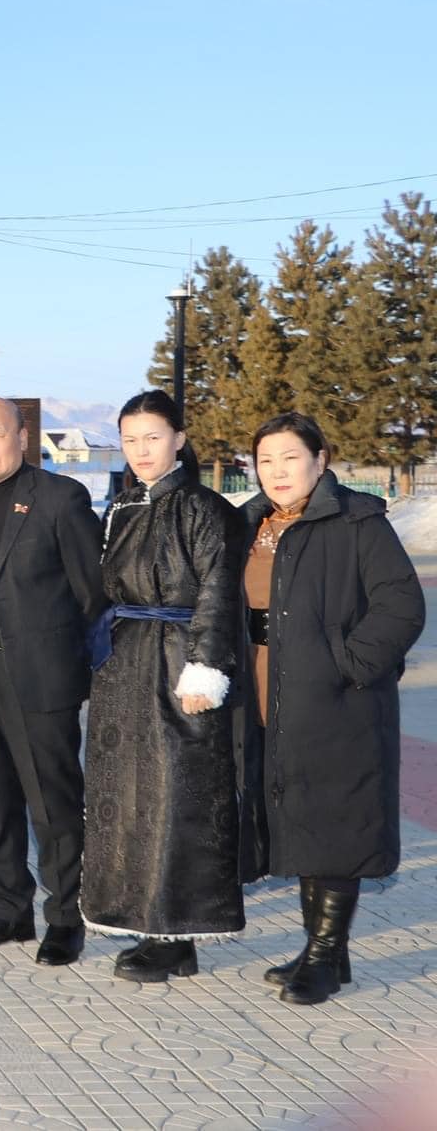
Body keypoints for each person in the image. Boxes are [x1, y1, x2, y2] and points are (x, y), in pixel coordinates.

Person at [238, 412, 423, 1005]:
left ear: (321, 461)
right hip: (269, 689)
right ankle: (325, 951)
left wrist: (349, 665)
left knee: (335, 820)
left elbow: (401, 606)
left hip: (336, 700)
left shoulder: (357, 521)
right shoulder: (252, 523)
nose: (278, 471)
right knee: (299, 818)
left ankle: (322, 956)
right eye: (266, 460)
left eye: (291, 457)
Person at [82, 389, 247, 982]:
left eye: (153, 437)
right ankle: (144, 918)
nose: (141, 450)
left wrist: (205, 668)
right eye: (130, 439)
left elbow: (217, 591)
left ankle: (178, 930)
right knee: (131, 796)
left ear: (179, 438)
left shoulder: (204, 508)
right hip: (126, 665)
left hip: (180, 665)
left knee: (179, 796)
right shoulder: (122, 507)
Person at [0, 397, 105, 966]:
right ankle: (7, 910)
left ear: (22, 436)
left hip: (38, 672)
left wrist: (77, 668)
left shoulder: (60, 498)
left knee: (51, 801)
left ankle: (66, 917)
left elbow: (93, 594)